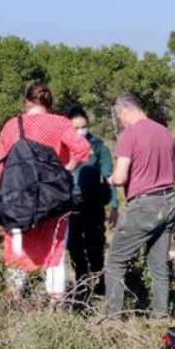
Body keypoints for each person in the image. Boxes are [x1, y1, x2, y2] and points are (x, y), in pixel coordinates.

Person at [0, 83, 90, 301]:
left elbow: (0, 166)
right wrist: (67, 171)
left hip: (19, 199)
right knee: (55, 253)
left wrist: (1, 201)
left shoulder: (11, 125)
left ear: (26, 101)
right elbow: (82, 149)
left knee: (16, 251)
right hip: (52, 198)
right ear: (49, 102)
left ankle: (15, 300)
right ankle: (56, 305)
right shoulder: (60, 123)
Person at [105, 92, 175, 318]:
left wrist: (109, 178)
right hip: (169, 201)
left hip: (145, 205)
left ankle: (112, 319)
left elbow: (119, 178)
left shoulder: (130, 135)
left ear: (124, 110)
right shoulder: (165, 133)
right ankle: (160, 317)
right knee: (158, 265)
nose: (120, 123)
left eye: (119, 119)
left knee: (115, 260)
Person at [66, 105, 118, 299]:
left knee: (95, 245)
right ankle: (81, 287)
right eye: (76, 128)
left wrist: (114, 206)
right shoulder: (63, 147)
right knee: (75, 247)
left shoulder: (98, 146)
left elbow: (109, 177)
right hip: (70, 204)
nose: (81, 131)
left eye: (84, 126)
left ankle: (100, 284)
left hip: (93, 204)